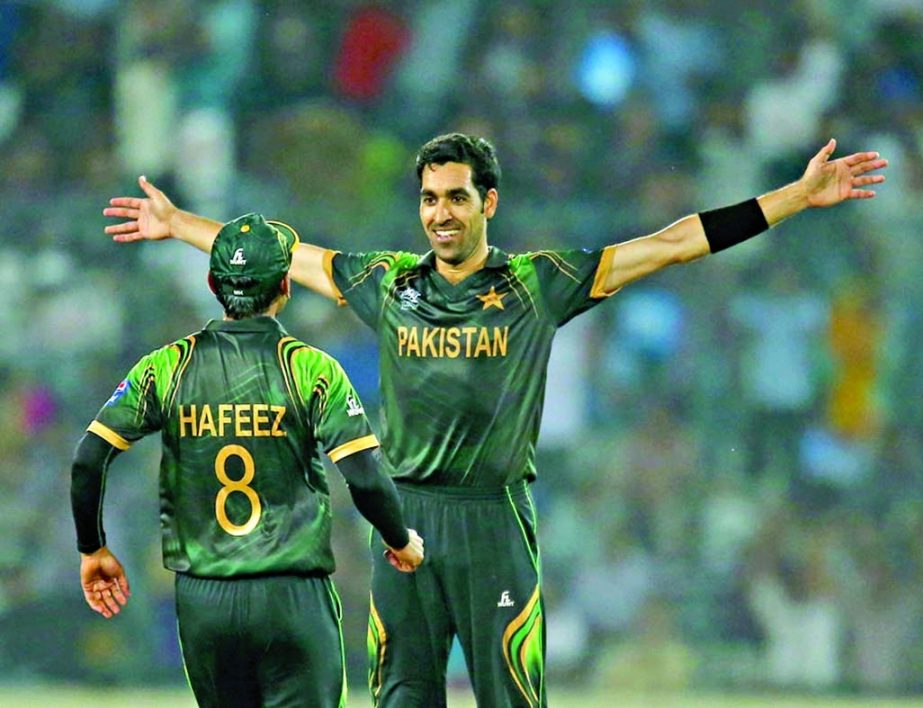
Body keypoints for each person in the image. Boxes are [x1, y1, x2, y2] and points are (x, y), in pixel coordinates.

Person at [104, 134, 886, 707]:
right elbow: (291, 258)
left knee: (511, 699)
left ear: (488, 203)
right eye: (428, 198)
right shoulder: (386, 283)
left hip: (495, 524)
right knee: (400, 699)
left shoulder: (536, 285)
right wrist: (181, 226)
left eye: (455, 197)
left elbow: (674, 243)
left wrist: (794, 197)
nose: (439, 214)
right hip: (403, 527)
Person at [72, 212, 424, 708]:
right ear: (286, 284)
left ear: (213, 283)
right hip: (291, 597)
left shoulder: (166, 366)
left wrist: (93, 549)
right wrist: (400, 539)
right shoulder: (310, 368)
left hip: (204, 601)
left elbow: (89, 459)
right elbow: (365, 477)